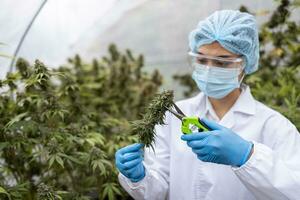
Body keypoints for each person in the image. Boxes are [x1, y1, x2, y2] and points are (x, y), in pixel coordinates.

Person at [115, 10, 300, 200]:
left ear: (245, 64)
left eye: (222, 62)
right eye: (202, 60)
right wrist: (139, 177)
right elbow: (157, 191)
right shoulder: (172, 116)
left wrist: (248, 156)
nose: (210, 70)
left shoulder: (274, 126)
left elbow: (295, 191)